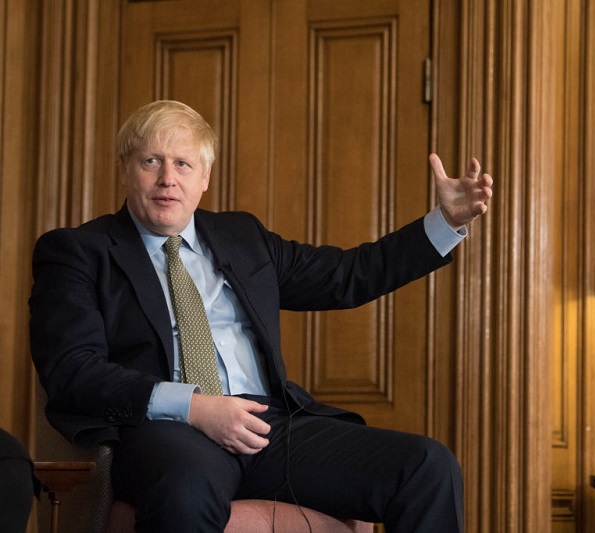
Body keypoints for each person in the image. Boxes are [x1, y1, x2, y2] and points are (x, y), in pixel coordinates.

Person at [29, 100, 493, 532]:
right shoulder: (78, 252)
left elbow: (348, 275)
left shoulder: (242, 236)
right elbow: (73, 370)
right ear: (125, 170)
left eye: (183, 164)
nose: (168, 178)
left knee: (426, 466)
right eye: (151, 161)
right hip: (170, 431)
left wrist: (446, 222)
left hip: (269, 425)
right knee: (184, 495)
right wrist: (194, 406)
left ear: (205, 177)